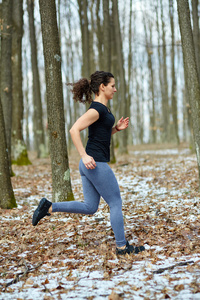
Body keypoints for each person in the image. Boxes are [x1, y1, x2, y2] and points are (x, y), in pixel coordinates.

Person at [32, 71, 145, 255]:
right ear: (102, 87)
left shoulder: (103, 110)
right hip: (94, 163)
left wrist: (116, 129)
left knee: (90, 207)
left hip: (90, 164)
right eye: (112, 86)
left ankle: (49, 206)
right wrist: (84, 155)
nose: (115, 90)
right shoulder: (96, 110)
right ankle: (122, 247)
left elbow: (99, 136)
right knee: (115, 202)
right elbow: (74, 130)